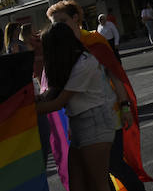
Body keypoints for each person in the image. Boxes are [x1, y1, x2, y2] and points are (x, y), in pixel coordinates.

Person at [46, 0, 151, 190]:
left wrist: (125, 107)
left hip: (110, 114)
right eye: (54, 22)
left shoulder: (95, 42)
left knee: (114, 166)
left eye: (62, 20)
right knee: (96, 174)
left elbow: (115, 76)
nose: (57, 26)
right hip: (82, 121)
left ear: (75, 18)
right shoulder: (62, 48)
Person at [37, 22, 116, 191]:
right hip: (79, 124)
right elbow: (50, 95)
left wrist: (23, 111)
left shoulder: (84, 63)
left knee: (98, 184)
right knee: (77, 185)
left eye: (48, 48)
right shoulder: (70, 63)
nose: (45, 53)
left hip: (95, 122)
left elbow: (58, 103)